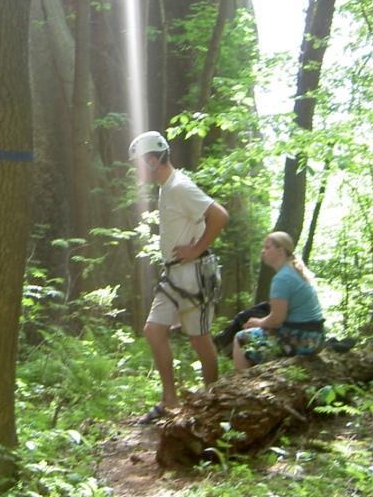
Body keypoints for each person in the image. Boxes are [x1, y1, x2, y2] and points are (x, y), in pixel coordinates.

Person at [129, 131, 229, 424]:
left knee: (199, 339)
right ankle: (170, 400)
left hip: (195, 273)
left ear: (151, 160)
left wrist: (197, 248)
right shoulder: (167, 187)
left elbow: (219, 215)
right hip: (174, 274)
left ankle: (213, 399)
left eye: (138, 163)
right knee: (153, 330)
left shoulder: (180, 186)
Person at [233, 231, 325, 370]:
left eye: (267, 247)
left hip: (303, 339)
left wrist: (258, 322)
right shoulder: (293, 271)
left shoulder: (282, 278)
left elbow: (277, 320)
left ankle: (242, 382)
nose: (263, 251)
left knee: (240, 337)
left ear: (280, 251)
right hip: (315, 336)